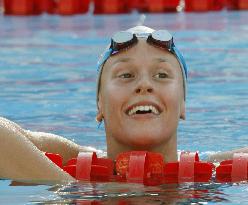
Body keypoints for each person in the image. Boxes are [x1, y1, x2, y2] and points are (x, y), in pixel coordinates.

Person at [0, 26, 247, 183]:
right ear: (100, 105)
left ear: (183, 104)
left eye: (161, 75)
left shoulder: (211, 174)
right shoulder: (76, 168)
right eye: (126, 75)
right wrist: (70, 189)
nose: (144, 85)